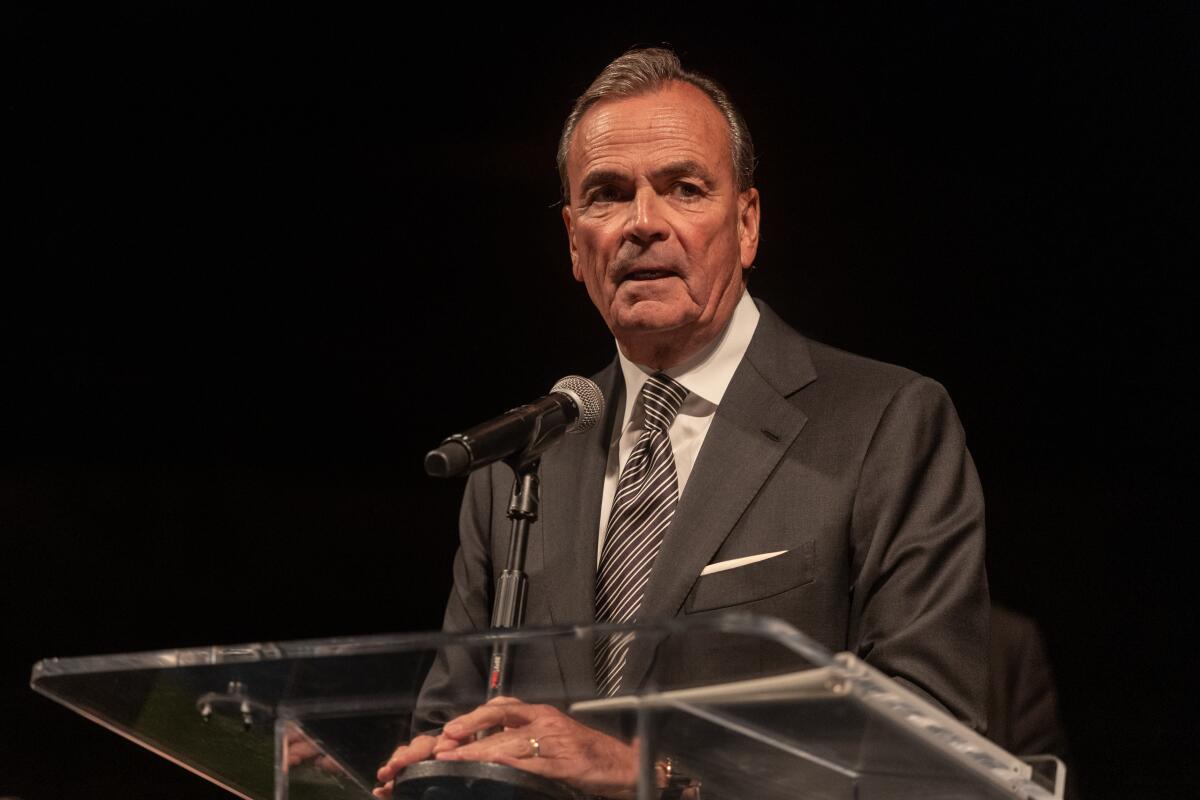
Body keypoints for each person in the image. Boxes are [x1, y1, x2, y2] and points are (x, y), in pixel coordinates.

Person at [376, 47, 988, 798]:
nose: (642, 224)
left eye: (684, 188)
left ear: (748, 222)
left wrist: (649, 776)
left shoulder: (883, 424)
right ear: (574, 240)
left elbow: (932, 756)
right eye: (606, 195)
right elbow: (449, 735)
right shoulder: (521, 461)